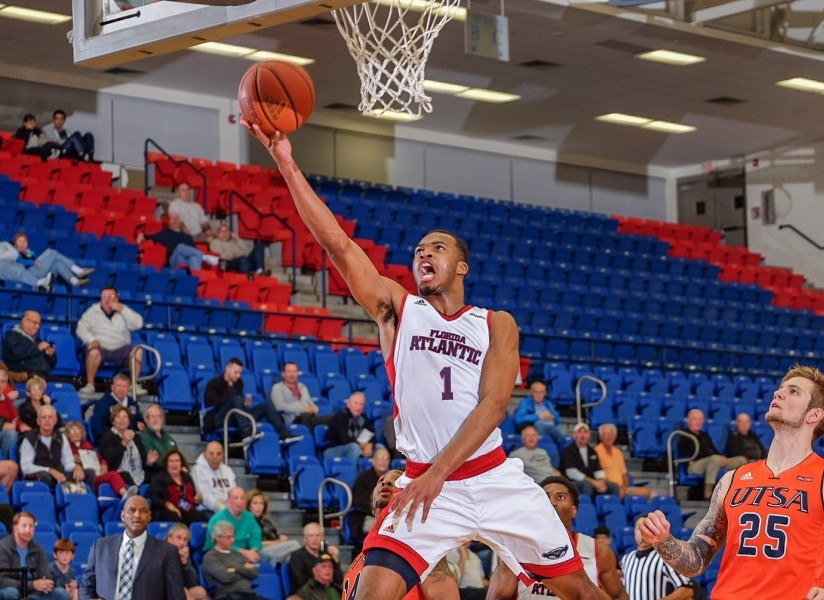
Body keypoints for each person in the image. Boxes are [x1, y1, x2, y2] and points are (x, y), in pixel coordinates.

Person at [245, 118, 603, 600]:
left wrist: (437, 474)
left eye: (437, 247)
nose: (423, 253)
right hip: (421, 483)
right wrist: (287, 163)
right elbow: (337, 244)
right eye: (418, 250)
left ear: (461, 266)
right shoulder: (399, 309)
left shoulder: (497, 323)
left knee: (581, 591)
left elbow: (494, 405)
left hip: (493, 478)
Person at [639, 365, 824, 599]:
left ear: (814, 415)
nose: (778, 393)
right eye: (780, 389)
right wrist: (663, 540)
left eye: (793, 392)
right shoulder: (733, 479)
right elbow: (696, 561)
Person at [487, 476, 627, 600]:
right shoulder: (516, 548)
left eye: (560, 497)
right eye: (545, 497)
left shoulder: (599, 551)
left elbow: (618, 595)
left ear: (574, 510)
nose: (552, 503)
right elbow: (498, 595)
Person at [339, 469, 459, 600]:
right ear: (372, 505)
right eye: (380, 481)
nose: (386, 482)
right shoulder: (362, 555)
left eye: (397, 480)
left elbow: (445, 595)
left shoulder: (419, 543)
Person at [80, 495, 186, 600]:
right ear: (123, 516)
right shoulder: (100, 547)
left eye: (143, 511)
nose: (137, 515)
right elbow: (86, 586)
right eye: (131, 510)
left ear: (149, 516)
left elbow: (176, 595)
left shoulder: (167, 551)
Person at [203, 358, 299, 444]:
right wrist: (234, 401)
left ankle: (283, 433)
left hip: (236, 417)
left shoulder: (239, 383)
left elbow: (238, 405)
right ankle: (246, 431)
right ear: (228, 368)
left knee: (266, 405)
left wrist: (243, 404)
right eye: (236, 372)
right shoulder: (214, 383)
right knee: (236, 399)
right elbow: (211, 403)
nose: (238, 375)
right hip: (220, 417)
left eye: (240, 373)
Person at [75, 287, 144, 394]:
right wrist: (91, 339)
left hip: (121, 347)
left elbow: (138, 324)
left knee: (137, 350)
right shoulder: (92, 311)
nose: (107, 300)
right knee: (93, 352)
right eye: (104, 297)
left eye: (111, 297)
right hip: (101, 347)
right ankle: (90, 384)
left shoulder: (124, 310)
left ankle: (134, 384)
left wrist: (122, 310)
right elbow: (81, 328)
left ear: (117, 298)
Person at [676, 409, 746, 500]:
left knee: (742, 460)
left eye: (700, 419)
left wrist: (721, 457)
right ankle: (708, 493)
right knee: (715, 459)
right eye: (695, 419)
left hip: (713, 461)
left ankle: (740, 492)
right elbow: (691, 453)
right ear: (688, 421)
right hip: (694, 465)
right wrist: (716, 457)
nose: (698, 422)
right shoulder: (684, 435)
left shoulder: (704, 435)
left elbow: (713, 449)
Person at [620, 515, 692, 600]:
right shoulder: (626, 559)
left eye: (647, 528)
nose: (641, 532)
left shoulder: (666, 557)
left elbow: (687, 589)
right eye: (638, 528)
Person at [0, 512, 68, 600]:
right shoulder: (3, 547)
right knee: (12, 593)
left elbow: (46, 575)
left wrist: (46, 583)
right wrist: (32, 585)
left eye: (31, 526)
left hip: (33, 593)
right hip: (13, 590)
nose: (28, 530)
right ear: (15, 528)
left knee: (61, 593)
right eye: (24, 526)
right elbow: (2, 580)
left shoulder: (38, 549)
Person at [64, 419, 137, 498]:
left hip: (97, 473)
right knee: (113, 475)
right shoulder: (67, 447)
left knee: (115, 474)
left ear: (82, 433)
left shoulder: (87, 444)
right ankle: (125, 495)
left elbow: (100, 458)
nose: (75, 433)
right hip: (84, 477)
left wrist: (103, 464)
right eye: (72, 431)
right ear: (68, 434)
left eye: (78, 430)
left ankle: (126, 495)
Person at [201, 521, 264, 600]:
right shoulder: (210, 557)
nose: (232, 540)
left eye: (233, 536)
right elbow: (225, 577)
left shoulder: (237, 554)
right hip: (227, 596)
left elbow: (254, 573)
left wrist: (234, 569)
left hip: (248, 595)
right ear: (217, 537)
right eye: (228, 537)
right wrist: (243, 569)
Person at [137, 213, 220, 272]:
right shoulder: (165, 233)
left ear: (180, 221)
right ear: (169, 222)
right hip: (174, 259)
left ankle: (196, 284)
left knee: (194, 258)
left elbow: (193, 250)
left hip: (186, 260)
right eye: (172, 218)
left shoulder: (187, 236)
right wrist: (142, 234)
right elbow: (152, 237)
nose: (175, 220)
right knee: (180, 247)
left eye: (177, 218)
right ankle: (204, 257)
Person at [20, 405, 77, 489]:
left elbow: (68, 462)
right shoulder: (30, 439)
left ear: (55, 421)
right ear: (38, 421)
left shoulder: (61, 437)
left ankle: (75, 499)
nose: (47, 420)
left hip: (59, 472)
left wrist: (76, 467)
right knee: (46, 477)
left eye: (50, 417)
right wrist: (49, 470)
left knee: (85, 473)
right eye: (43, 417)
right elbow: (25, 467)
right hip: (40, 474)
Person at [12, 233, 92, 289]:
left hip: (39, 273)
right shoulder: (15, 253)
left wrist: (34, 261)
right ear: (15, 244)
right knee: (52, 252)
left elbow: (39, 263)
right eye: (20, 241)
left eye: (24, 241)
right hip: (28, 274)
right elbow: (21, 263)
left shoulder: (30, 252)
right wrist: (33, 262)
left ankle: (74, 281)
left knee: (57, 263)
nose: (22, 243)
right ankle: (77, 270)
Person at [149, 449, 209, 525]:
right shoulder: (159, 478)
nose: (174, 464)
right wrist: (168, 505)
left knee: (202, 517)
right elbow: (154, 498)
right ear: (166, 463)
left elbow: (193, 498)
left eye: (177, 461)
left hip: (185, 509)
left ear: (181, 463)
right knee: (175, 517)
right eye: (171, 461)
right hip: (164, 510)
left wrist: (197, 499)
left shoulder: (186, 478)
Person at [560, 422, 619, 499]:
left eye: (585, 432)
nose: (583, 435)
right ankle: (586, 509)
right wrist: (593, 482)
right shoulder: (568, 450)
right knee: (587, 485)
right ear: (574, 435)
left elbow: (598, 470)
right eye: (579, 432)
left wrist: (602, 482)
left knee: (613, 487)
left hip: (591, 482)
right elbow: (571, 473)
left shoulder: (592, 451)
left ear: (589, 436)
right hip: (573, 482)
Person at [96, 405, 148, 489]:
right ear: (113, 421)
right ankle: (136, 498)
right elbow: (109, 459)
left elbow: (143, 459)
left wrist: (149, 461)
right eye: (118, 417)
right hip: (119, 472)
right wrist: (123, 443)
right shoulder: (107, 437)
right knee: (126, 475)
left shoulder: (136, 437)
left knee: (158, 475)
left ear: (129, 420)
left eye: (125, 417)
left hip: (138, 472)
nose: (122, 419)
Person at [349, 448, 393, 545]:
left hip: (388, 515)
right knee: (387, 528)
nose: (384, 461)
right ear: (373, 460)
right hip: (366, 516)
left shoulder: (391, 479)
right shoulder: (363, 479)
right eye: (380, 458)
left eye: (386, 458)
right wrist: (381, 512)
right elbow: (360, 503)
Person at [246, 489, 301, 565]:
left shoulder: (267, 522)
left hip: (272, 548)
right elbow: (253, 543)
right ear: (249, 506)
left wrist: (281, 539)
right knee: (294, 544)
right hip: (258, 550)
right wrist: (277, 542)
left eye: (261, 504)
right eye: (255, 503)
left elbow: (275, 538)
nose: (258, 506)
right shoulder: (247, 521)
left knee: (291, 556)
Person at [203, 487, 262, 559]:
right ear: (228, 501)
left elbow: (255, 537)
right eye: (236, 498)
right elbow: (220, 543)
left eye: (242, 498)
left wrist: (253, 551)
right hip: (221, 553)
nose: (239, 501)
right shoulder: (218, 518)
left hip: (248, 552)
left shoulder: (250, 517)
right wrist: (244, 552)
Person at [595, 423, 650, 499]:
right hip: (609, 487)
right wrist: (616, 487)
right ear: (600, 436)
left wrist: (624, 487)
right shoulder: (596, 452)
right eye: (605, 434)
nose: (608, 436)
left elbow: (624, 474)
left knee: (646, 492)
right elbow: (599, 475)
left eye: (611, 434)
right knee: (619, 492)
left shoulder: (618, 452)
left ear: (615, 436)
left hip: (623, 487)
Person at [269, 361, 331, 430]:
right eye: (289, 371)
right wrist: (304, 409)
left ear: (297, 373)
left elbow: (310, 403)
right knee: (305, 417)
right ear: (283, 374)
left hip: (310, 417)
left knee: (335, 418)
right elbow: (279, 406)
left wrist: (314, 408)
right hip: (294, 419)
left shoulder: (302, 386)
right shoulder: (277, 387)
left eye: (294, 372)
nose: (292, 375)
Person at [2, 311, 58, 381]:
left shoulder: (37, 340)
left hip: (43, 375)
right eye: (34, 323)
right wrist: (37, 348)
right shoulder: (12, 336)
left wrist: (51, 355)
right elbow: (16, 353)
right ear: (24, 321)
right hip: (27, 375)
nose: (37, 327)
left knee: (70, 383)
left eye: (39, 324)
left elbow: (52, 364)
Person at [288, 522, 342, 593]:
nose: (314, 539)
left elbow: (338, 580)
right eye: (311, 536)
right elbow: (300, 582)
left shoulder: (326, 555)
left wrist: (335, 559)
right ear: (305, 538)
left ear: (323, 538)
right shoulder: (297, 556)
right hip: (307, 594)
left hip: (327, 593)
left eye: (317, 535)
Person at [89, 373, 146, 440]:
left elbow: (139, 421)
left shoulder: (132, 403)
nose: (121, 389)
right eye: (119, 386)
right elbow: (98, 428)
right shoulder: (103, 403)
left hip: (131, 439)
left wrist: (141, 426)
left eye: (124, 386)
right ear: (112, 387)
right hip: (110, 441)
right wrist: (118, 434)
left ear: (128, 388)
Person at [323, 392, 375, 463]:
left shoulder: (363, 417)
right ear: (349, 404)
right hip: (334, 449)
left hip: (357, 446)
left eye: (361, 404)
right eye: (356, 403)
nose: (358, 407)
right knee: (354, 447)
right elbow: (345, 440)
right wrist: (362, 446)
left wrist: (370, 445)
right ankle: (352, 473)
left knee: (379, 447)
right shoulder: (341, 417)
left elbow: (372, 434)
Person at [166, 523, 209, 600]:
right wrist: (184, 591)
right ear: (169, 538)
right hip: (162, 591)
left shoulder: (184, 553)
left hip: (180, 589)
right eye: (178, 538)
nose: (182, 543)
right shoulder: (160, 552)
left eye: (185, 540)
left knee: (200, 591)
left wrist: (185, 563)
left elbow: (193, 583)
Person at [191, 441, 237, 513]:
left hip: (228, 509)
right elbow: (205, 496)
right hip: (207, 510)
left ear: (223, 455)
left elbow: (233, 492)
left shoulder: (228, 470)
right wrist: (224, 510)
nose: (215, 457)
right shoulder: (198, 469)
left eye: (218, 454)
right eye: (211, 453)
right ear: (205, 454)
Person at [141, 403, 179, 479]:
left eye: (158, 416)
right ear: (146, 420)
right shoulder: (144, 437)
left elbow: (178, 456)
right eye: (152, 416)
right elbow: (154, 461)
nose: (155, 419)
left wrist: (183, 467)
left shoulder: (169, 438)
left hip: (173, 474)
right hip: (157, 475)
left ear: (162, 419)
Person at [0, 369, 24, 455]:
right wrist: (2, 425)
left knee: (32, 435)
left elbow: (15, 418)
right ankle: (6, 464)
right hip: (5, 432)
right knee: (11, 434)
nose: (0, 385)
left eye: (3, 382)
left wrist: (21, 425)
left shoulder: (5, 398)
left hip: (6, 431)